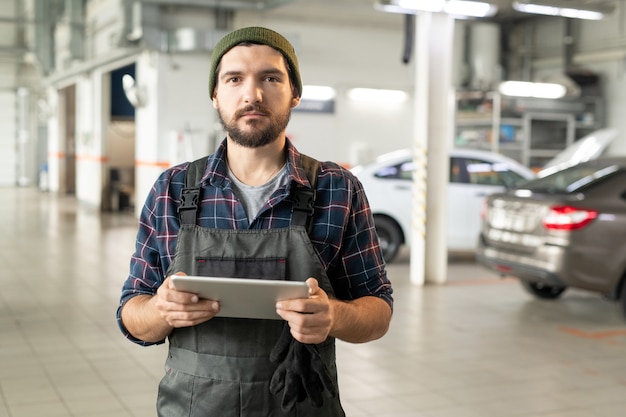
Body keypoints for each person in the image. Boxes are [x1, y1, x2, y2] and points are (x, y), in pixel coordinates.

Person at [116, 26, 393, 417]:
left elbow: (378, 309)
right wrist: (161, 311)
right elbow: (131, 312)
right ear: (215, 95)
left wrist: (335, 316)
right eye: (234, 79)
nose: (252, 94)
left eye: (270, 77)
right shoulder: (174, 189)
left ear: (294, 92)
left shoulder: (337, 189)